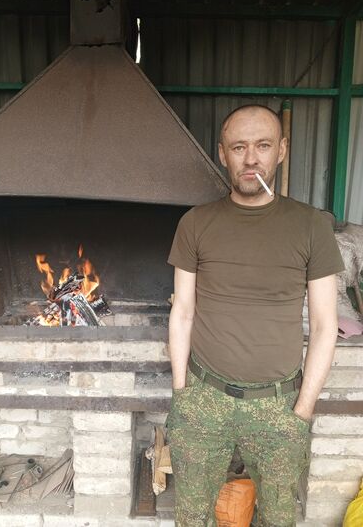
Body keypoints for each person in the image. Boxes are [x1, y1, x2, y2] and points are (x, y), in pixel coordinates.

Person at [166, 104, 345, 527]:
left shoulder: (311, 226)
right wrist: (182, 393)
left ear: (281, 150)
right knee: (191, 517)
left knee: (278, 518)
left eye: (263, 146)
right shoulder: (195, 223)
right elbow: (183, 312)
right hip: (204, 398)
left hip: (280, 404)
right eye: (239, 147)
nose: (251, 159)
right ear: (222, 154)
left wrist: (302, 410)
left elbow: (325, 327)